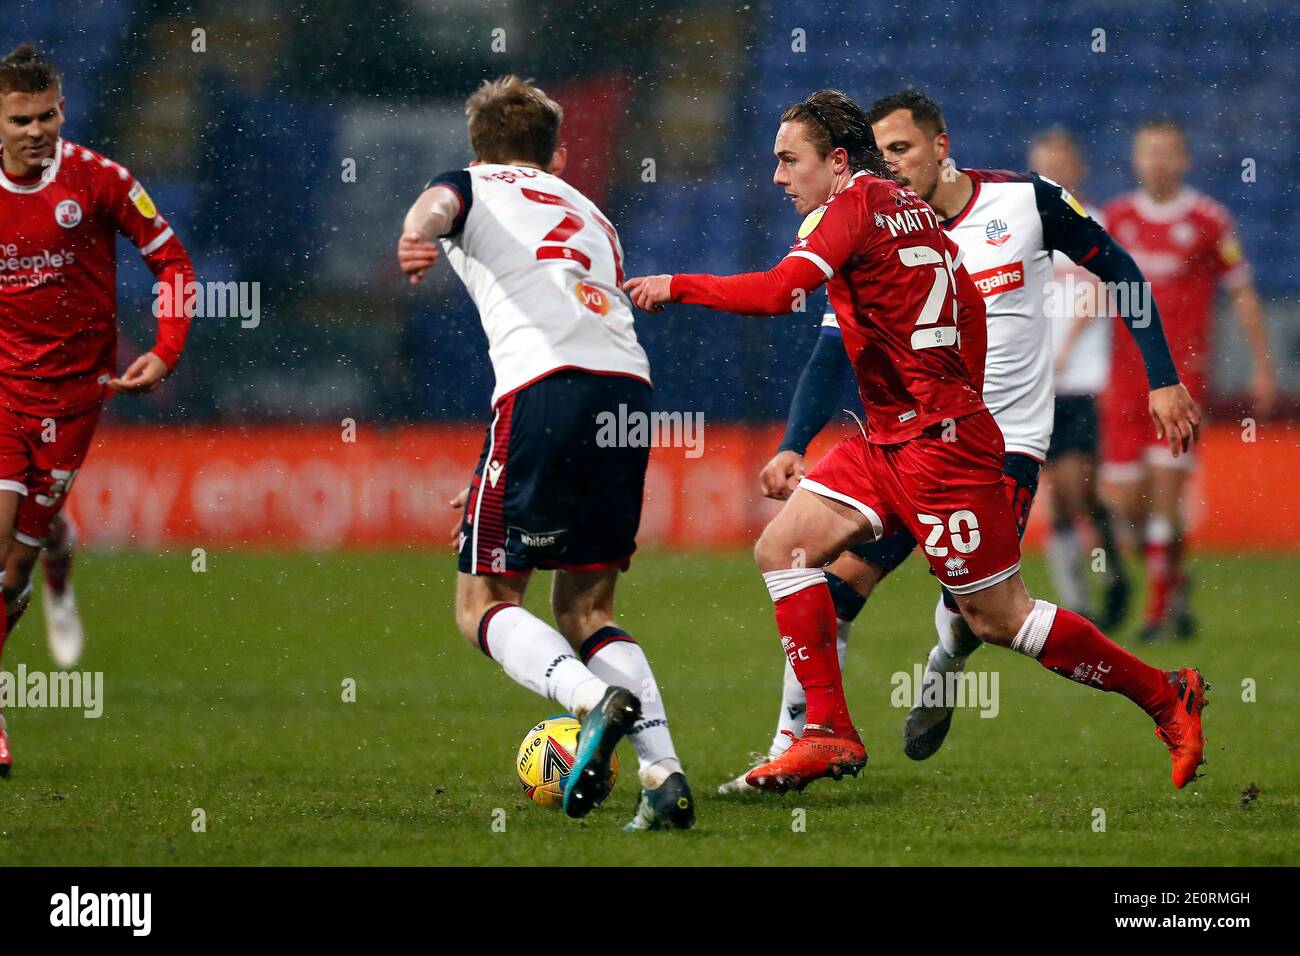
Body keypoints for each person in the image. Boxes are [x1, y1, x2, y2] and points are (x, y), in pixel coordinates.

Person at [626, 89, 1208, 794]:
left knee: (996, 618)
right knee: (784, 548)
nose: (778, 177)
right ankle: (823, 734)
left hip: (949, 447)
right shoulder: (911, 213)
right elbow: (960, 305)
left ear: (839, 162)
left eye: (788, 161)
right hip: (897, 437)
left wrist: (675, 284)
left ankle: (1162, 692)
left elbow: (782, 293)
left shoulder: (867, 211)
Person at [396, 75, 693, 829]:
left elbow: (439, 205)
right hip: (628, 393)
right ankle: (664, 779)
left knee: (483, 605)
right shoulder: (592, 213)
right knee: (588, 605)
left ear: (479, 146)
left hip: (544, 391)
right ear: (556, 155)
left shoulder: (467, 181)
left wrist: (416, 232)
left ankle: (594, 704)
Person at [0, 44, 195, 777]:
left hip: (78, 396)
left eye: (48, 113)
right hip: (2, 389)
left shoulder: (100, 180)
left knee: (15, 565)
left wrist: (166, 351)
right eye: (21, 118)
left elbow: (171, 261)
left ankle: (54, 559)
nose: (37, 129)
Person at [1101, 118, 1275, 640]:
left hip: (1181, 378)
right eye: (1147, 152)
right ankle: (1172, 576)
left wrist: (1263, 366)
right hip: (1123, 378)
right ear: (1135, 160)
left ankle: (1158, 612)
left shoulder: (1209, 220)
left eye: (1166, 152)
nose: (1156, 161)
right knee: (1121, 502)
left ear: (1184, 160)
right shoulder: (1117, 218)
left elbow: (1241, 293)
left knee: (1167, 491)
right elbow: (1092, 289)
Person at [1031, 126, 1129, 627]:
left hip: (1081, 377)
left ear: (1078, 170)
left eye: (1061, 165)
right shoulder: (1023, 224)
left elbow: (1104, 285)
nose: (1054, 174)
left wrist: (1066, 346)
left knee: (1081, 489)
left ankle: (1114, 573)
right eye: (1044, 166)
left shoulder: (1096, 221)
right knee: (1059, 496)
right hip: (1036, 383)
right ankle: (1079, 603)